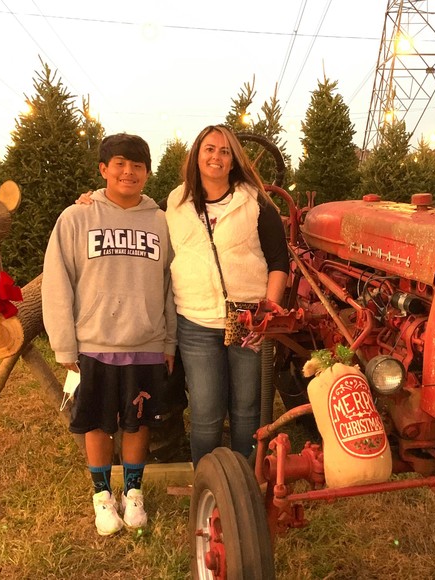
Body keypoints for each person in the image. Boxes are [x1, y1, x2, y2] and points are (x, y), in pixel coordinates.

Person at [41, 133, 177, 536]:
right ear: (103, 169)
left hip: (146, 342)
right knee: (97, 424)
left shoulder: (161, 222)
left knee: (138, 423)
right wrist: (63, 342)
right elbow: (57, 282)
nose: (128, 172)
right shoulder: (76, 217)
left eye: (137, 165)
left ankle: (133, 493)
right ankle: (102, 497)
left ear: (148, 173)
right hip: (93, 343)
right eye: (119, 164)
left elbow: (172, 286)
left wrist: (168, 341)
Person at [165, 124, 289, 467]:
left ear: (234, 160)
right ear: (196, 155)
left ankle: (247, 478)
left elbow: (279, 262)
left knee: (247, 408)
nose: (216, 157)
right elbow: (135, 211)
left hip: (249, 320)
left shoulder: (256, 202)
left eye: (224, 151)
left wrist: (268, 311)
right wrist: (94, 200)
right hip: (196, 322)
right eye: (209, 149)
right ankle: (208, 482)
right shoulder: (175, 203)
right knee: (206, 411)